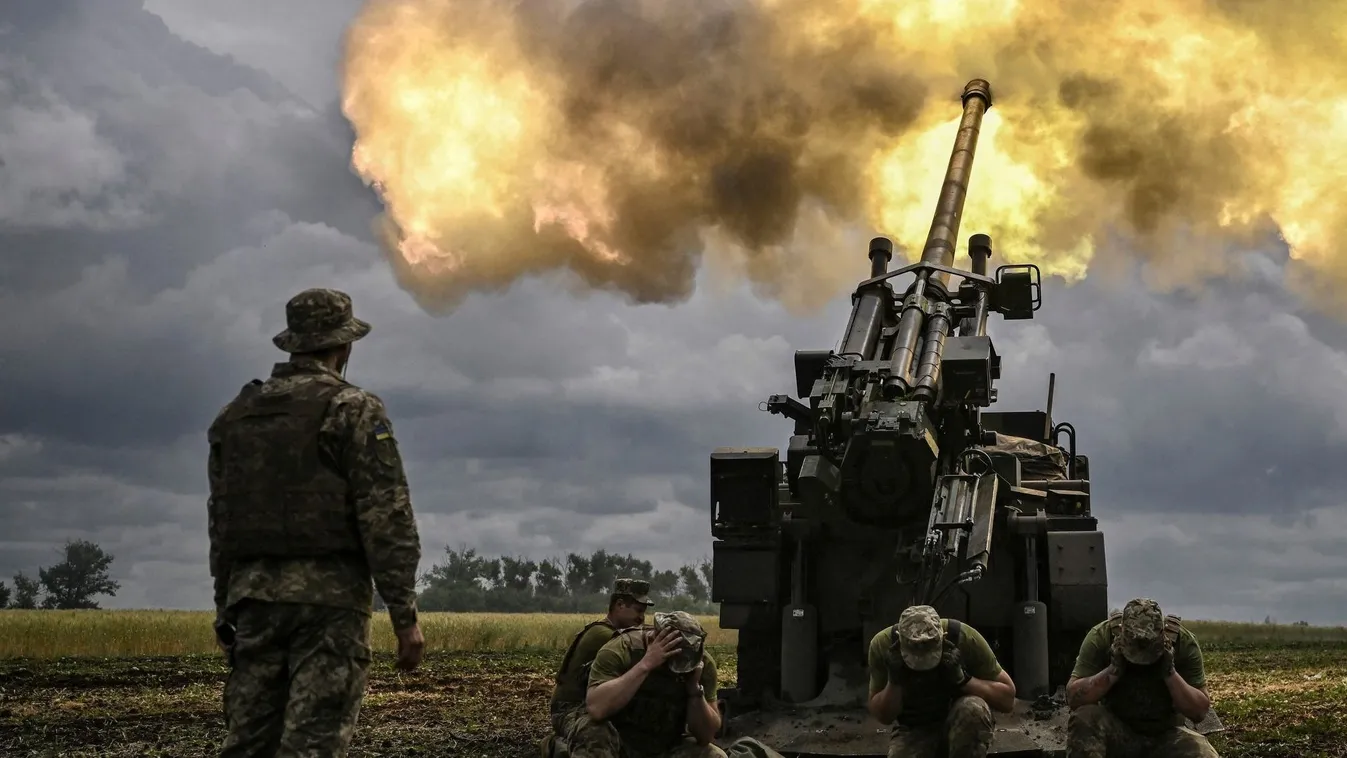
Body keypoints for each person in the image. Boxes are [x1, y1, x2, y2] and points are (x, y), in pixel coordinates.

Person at [207, 287, 425, 757]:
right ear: (343, 345)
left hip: (254, 601)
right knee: (313, 744)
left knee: (248, 745)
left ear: (293, 343)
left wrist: (225, 607)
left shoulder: (235, 417)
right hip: (330, 605)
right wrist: (404, 616)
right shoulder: (353, 409)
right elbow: (386, 515)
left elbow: (221, 521)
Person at [553, 610, 784, 758]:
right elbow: (597, 708)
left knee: (714, 755)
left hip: (662, 742)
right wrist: (646, 665)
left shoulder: (701, 664)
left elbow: (706, 735)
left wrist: (694, 691)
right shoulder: (621, 650)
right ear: (655, 638)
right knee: (594, 733)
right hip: (619, 738)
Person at [1064, 597, 1218, 757]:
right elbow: (1074, 698)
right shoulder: (1102, 637)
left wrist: (1170, 672)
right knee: (1085, 718)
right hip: (1117, 731)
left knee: (1203, 752)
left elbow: (1199, 711)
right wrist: (1113, 670)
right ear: (1121, 630)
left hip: (1166, 734)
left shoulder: (1182, 643)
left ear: (1162, 634)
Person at [866, 605, 1017, 758]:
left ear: (943, 636)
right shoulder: (883, 645)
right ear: (899, 641)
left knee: (973, 709)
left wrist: (964, 680)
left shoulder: (964, 638)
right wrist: (894, 681)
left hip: (958, 722)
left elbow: (1007, 700)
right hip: (914, 728)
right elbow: (883, 716)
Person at [544, 578, 654, 748]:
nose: (641, 618)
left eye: (643, 612)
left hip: (588, 703)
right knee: (598, 734)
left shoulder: (610, 631)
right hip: (569, 709)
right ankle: (556, 747)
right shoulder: (605, 636)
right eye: (638, 611)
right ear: (619, 605)